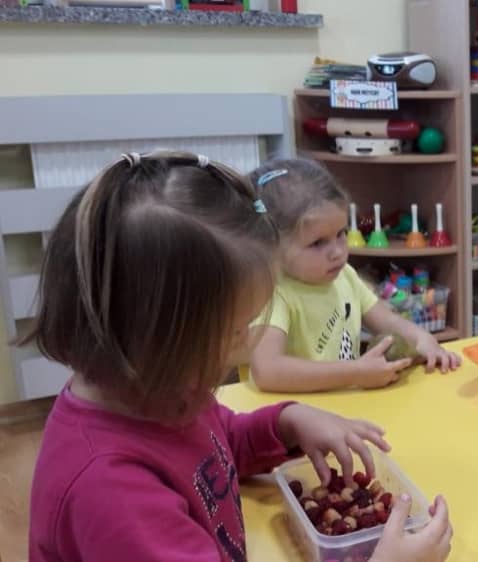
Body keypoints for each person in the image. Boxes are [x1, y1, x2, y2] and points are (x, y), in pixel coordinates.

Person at [24, 151, 452, 561]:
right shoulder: (111, 492)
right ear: (158, 341)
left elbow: (217, 443)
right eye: (236, 330)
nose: (249, 344)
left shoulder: (167, 394)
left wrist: (286, 422)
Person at [247, 158, 460, 393]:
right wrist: (356, 372)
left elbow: (388, 321)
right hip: (295, 411)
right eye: (318, 243)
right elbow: (267, 371)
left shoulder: (345, 276)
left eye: (341, 233)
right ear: (271, 246)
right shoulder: (273, 295)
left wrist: (422, 339)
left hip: (343, 405)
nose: (338, 252)